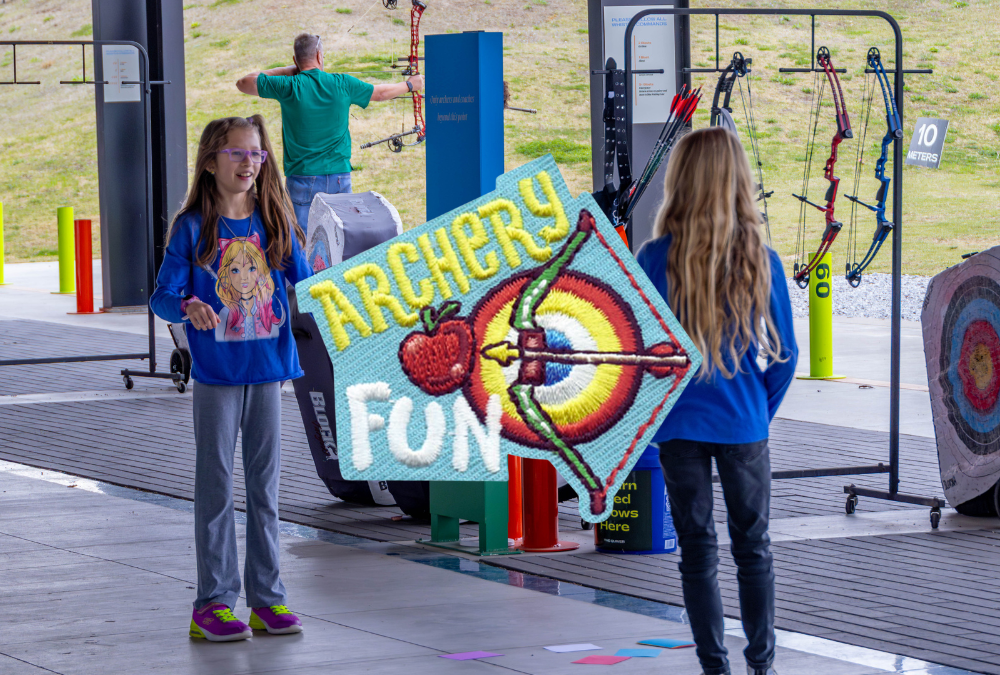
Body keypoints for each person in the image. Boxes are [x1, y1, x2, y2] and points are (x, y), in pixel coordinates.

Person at [636, 127, 798, 675]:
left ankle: (714, 666)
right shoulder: (762, 258)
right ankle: (763, 665)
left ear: (680, 181)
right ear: (738, 182)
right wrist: (757, 411)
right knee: (754, 549)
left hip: (678, 425)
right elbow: (786, 356)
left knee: (697, 549)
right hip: (744, 422)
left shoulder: (655, 257)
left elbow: (639, 352)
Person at [150, 114, 312, 642]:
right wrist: (189, 302)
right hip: (218, 378)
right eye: (237, 153)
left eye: (257, 154)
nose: (249, 163)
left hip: (269, 372)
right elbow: (161, 297)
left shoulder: (276, 219)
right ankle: (213, 605)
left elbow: (311, 287)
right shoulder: (193, 227)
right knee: (216, 487)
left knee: (265, 490)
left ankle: (267, 601)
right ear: (211, 161)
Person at [236, 33, 424, 233]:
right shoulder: (341, 83)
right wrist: (410, 85)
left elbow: (244, 82)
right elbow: (380, 93)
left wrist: (289, 70)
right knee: (341, 241)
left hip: (302, 179)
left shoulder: (289, 86)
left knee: (304, 243)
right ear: (319, 56)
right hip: (339, 178)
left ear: (295, 60)